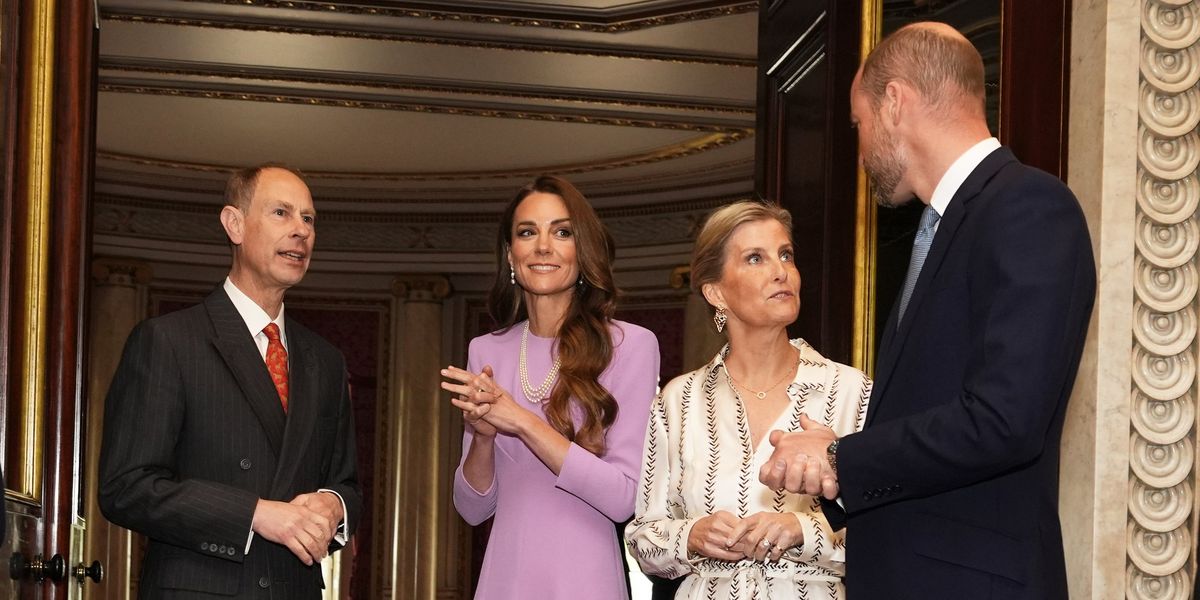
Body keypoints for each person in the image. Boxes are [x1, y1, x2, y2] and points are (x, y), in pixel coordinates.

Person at [758, 22, 1096, 599]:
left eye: (859, 125)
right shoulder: (939, 230)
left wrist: (841, 456)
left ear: (895, 102)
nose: (860, 152)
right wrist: (842, 462)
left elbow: (1004, 422)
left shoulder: (1029, 206)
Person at [99, 164, 361, 599]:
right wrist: (253, 514)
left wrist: (334, 505)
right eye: (281, 213)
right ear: (234, 224)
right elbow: (126, 487)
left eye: (309, 218)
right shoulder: (168, 341)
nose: (301, 230)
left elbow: (347, 483)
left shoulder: (326, 361)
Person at [626, 201, 871, 599]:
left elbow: (889, 528)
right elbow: (643, 538)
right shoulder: (679, 400)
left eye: (786, 255)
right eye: (755, 258)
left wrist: (803, 529)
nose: (781, 271)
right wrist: (692, 535)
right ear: (716, 292)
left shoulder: (852, 391)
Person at [441, 175, 660, 600]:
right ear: (510, 254)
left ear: (583, 251)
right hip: (504, 579)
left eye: (562, 232)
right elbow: (472, 509)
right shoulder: (486, 350)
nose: (543, 246)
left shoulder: (630, 345)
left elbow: (625, 498)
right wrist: (483, 438)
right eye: (527, 232)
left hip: (586, 581)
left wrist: (522, 422)